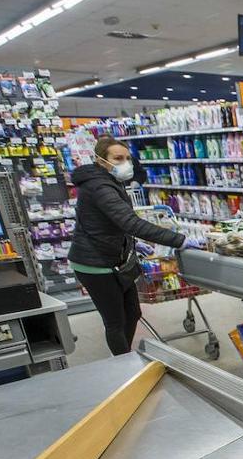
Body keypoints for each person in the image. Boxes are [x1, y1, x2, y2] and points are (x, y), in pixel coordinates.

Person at [69, 135, 205, 355]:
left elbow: (110, 222)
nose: (125, 163)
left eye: (127, 158)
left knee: (132, 313)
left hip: (114, 259)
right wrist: (179, 240)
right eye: (118, 158)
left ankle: (126, 356)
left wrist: (130, 243)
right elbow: (129, 221)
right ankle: (124, 365)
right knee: (115, 321)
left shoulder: (110, 181)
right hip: (94, 264)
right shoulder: (99, 186)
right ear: (102, 160)